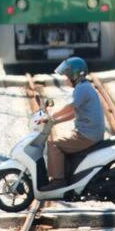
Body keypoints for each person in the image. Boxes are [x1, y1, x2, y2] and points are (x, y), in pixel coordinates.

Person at [40, 57, 105, 191]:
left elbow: (70, 108)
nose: (65, 79)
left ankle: (58, 181)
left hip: (87, 135)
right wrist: (55, 121)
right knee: (61, 141)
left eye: (66, 75)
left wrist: (52, 115)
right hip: (89, 133)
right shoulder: (84, 87)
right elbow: (75, 113)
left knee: (54, 145)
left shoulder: (82, 89)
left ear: (74, 75)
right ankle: (67, 175)